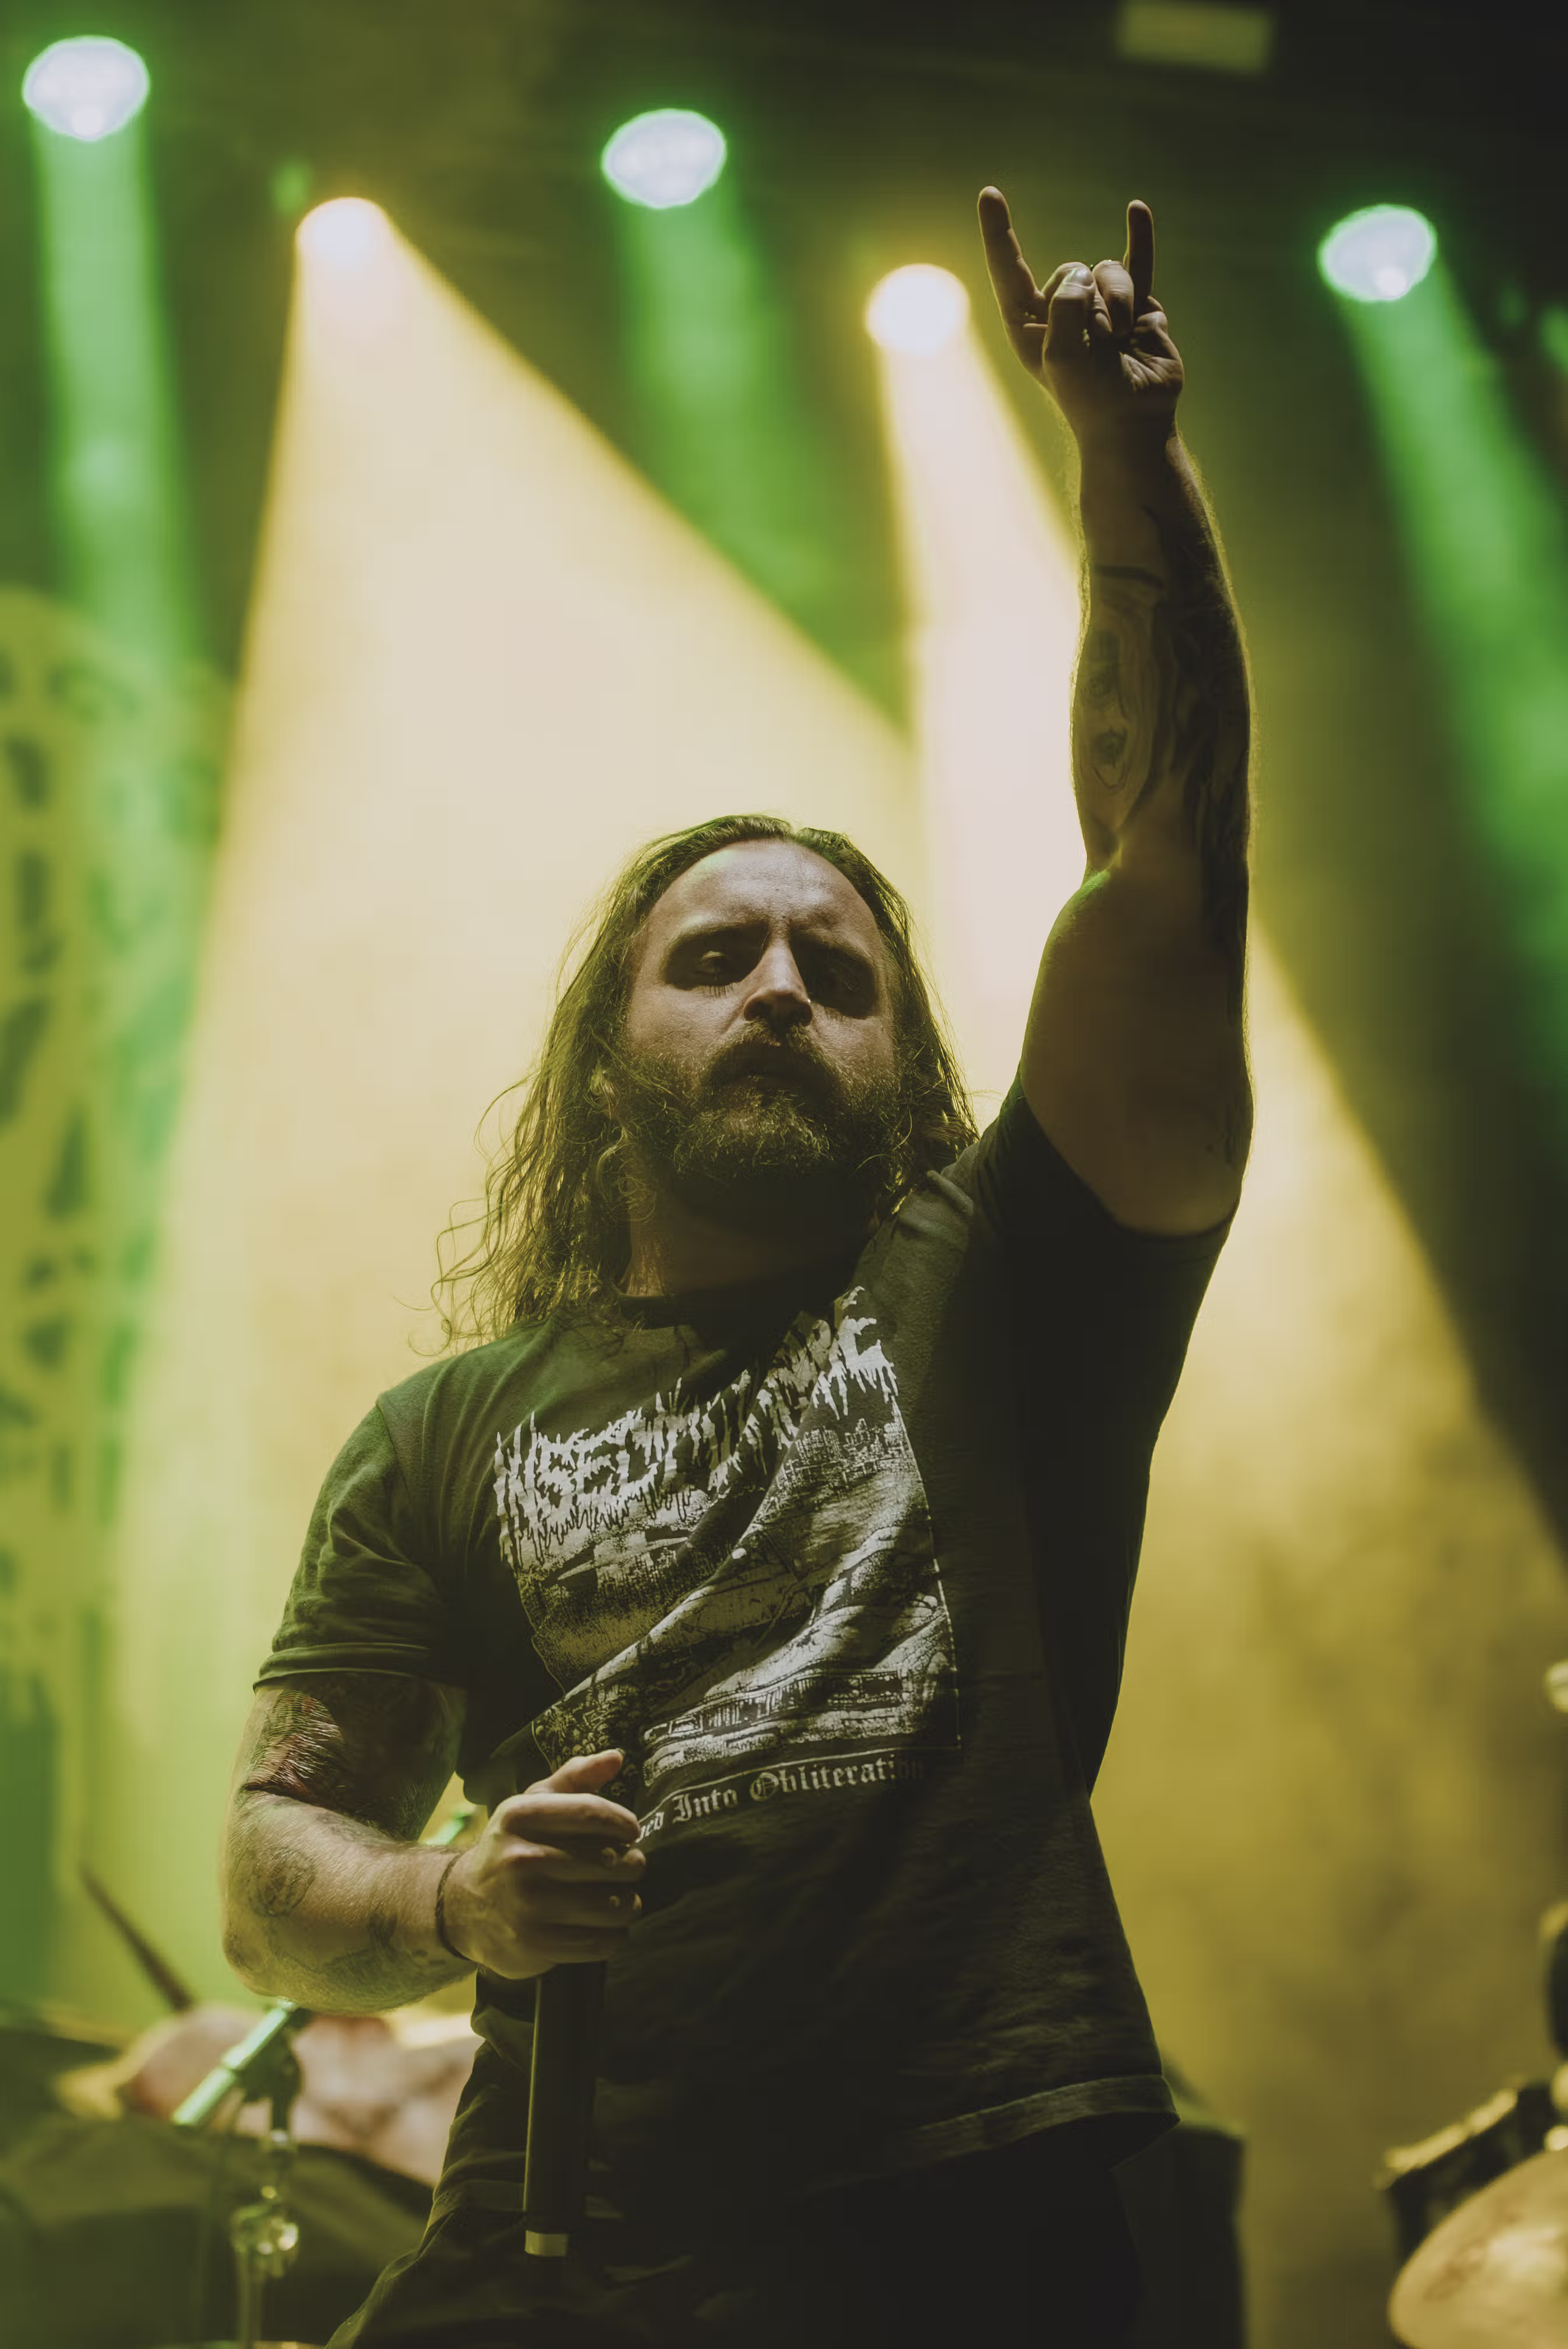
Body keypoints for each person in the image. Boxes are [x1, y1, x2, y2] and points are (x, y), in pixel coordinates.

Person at [219, 186, 1253, 2347]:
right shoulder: (445, 1433)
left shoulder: (1017, 1296)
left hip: (963, 2232)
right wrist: (453, 1897)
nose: (781, 988)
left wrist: (1125, 460)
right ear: (611, 1063)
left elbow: (1166, 863)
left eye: (838, 972)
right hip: (554, 2252)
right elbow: (274, 1879)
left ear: (909, 1065)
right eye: (717, 960)